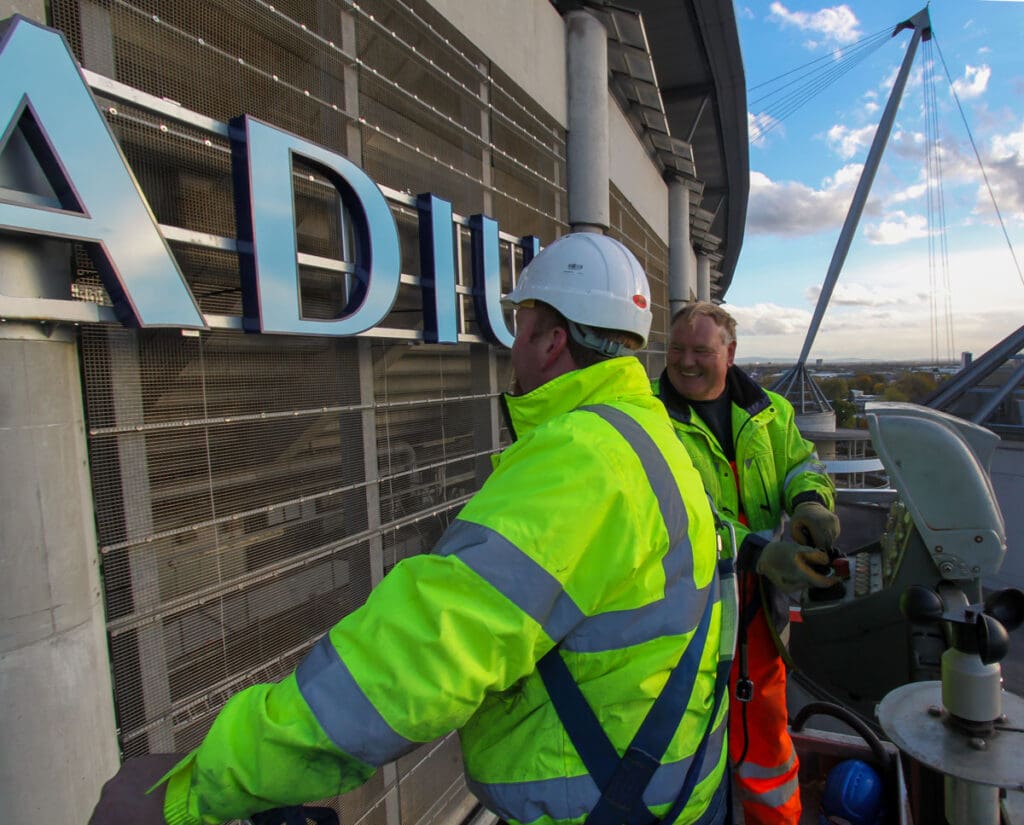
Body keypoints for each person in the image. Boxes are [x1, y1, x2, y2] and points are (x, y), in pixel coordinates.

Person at [89, 233, 731, 825]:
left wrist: (194, 789)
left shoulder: (582, 461)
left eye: (521, 325)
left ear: (552, 340)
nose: (514, 344)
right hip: (667, 790)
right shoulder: (649, 433)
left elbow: (419, 658)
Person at [653, 302, 839, 825]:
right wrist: (758, 552)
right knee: (682, 738)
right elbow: (676, 513)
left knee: (765, 735)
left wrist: (809, 502)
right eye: (677, 350)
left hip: (757, 609)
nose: (686, 362)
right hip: (684, 610)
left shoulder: (771, 412)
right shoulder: (649, 420)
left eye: (701, 351)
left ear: (730, 353)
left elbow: (802, 464)